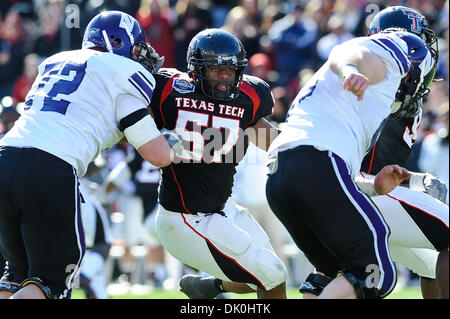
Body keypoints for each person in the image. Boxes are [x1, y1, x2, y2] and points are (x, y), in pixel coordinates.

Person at [0, 10, 176, 299]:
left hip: (6, 158)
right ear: (118, 42)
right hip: (48, 168)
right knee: (51, 283)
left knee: (15, 276)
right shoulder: (123, 73)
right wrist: (175, 142)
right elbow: (157, 154)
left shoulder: (54, 62)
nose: (142, 58)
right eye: (137, 50)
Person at [265, 28, 436, 299]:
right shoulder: (393, 57)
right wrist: (348, 69)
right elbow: (348, 53)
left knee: (330, 270)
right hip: (316, 161)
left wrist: (372, 185)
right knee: (376, 272)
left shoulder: (343, 105)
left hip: (280, 175)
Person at [149, 28, 288, 299]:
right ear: (196, 70)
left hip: (223, 209)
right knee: (272, 274)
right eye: (215, 69)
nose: (225, 77)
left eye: (231, 70)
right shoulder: (169, 90)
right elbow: (132, 115)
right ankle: (211, 288)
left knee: (269, 273)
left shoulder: (247, 99)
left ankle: (210, 288)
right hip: (184, 218)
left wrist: (308, 153)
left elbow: (270, 138)